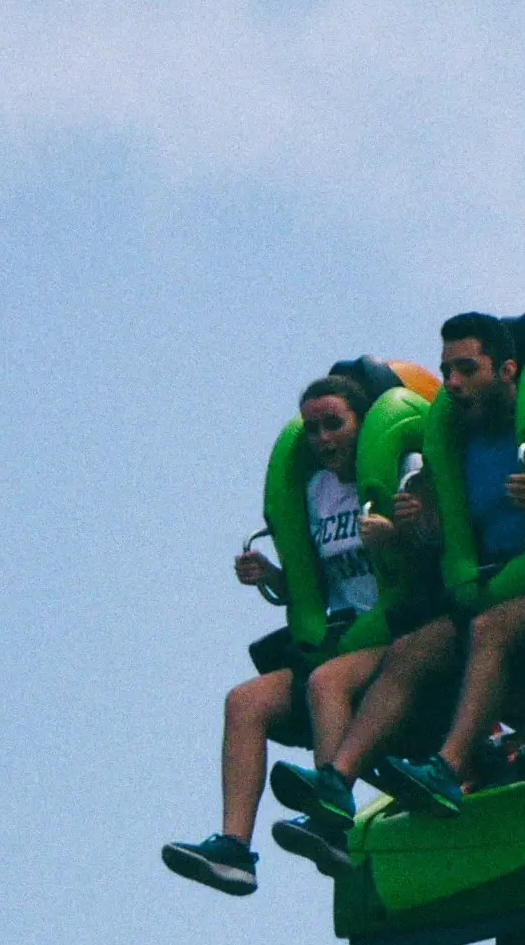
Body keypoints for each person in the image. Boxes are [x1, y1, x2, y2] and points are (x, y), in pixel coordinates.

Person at [306, 315, 525, 815]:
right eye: (447, 372)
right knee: (413, 649)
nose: (453, 384)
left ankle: (449, 767)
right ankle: (337, 779)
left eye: (467, 370)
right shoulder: (452, 446)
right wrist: (418, 527)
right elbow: (440, 542)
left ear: (507, 370)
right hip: (485, 587)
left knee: (489, 630)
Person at [164, 373, 399, 895]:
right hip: (339, 635)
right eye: (313, 429)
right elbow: (315, 584)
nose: (323, 439)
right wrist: (271, 576)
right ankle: (233, 850)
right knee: (245, 701)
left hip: (396, 634)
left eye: (334, 424)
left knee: (325, 682)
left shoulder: (399, 471)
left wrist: (396, 534)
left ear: (364, 423)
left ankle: (333, 825)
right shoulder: (317, 492)